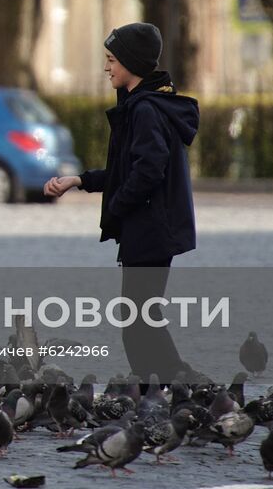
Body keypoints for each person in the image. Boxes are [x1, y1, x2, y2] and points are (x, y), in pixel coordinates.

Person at [43, 21, 198, 385]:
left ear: (132, 63)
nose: (106, 67)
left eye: (112, 59)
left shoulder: (145, 110)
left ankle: (171, 385)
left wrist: (117, 207)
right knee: (141, 319)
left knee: (138, 321)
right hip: (150, 229)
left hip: (150, 229)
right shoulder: (143, 104)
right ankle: (161, 385)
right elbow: (125, 169)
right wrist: (80, 180)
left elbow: (148, 170)